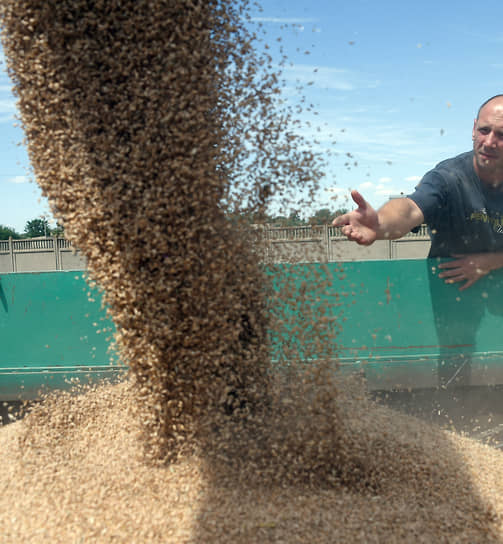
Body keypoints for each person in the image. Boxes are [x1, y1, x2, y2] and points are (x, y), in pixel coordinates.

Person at [333, 94, 503, 387]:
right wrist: (380, 224)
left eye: (502, 135)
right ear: (473, 128)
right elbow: (410, 208)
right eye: (485, 130)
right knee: (454, 368)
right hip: (451, 292)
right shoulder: (449, 178)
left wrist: (490, 262)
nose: (489, 142)